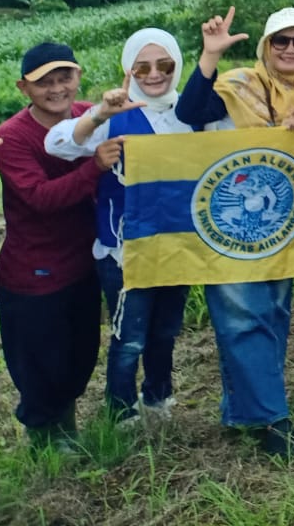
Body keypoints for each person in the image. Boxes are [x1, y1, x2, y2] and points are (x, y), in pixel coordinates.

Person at [176, 6, 294, 459]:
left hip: (279, 230)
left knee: (273, 314)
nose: (290, 49)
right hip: (227, 228)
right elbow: (190, 112)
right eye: (281, 40)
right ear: (265, 46)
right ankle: (274, 420)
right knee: (244, 316)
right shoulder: (237, 85)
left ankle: (241, 410)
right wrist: (209, 57)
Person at [44, 29, 194, 422]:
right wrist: (99, 115)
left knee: (165, 331)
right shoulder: (116, 115)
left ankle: (158, 398)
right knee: (129, 337)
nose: (154, 74)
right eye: (141, 67)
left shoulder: (189, 115)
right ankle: (121, 411)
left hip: (176, 244)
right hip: (124, 249)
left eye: (165, 65)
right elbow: (57, 143)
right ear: (129, 69)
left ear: (177, 66)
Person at [0, 42, 103, 451]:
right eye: (44, 83)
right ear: (24, 88)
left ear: (79, 77)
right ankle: (45, 439)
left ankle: (65, 430)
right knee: (41, 362)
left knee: (80, 355)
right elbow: (40, 197)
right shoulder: (12, 137)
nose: (57, 89)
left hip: (83, 261)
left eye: (65, 78)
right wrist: (96, 167)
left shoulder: (89, 116)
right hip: (33, 272)